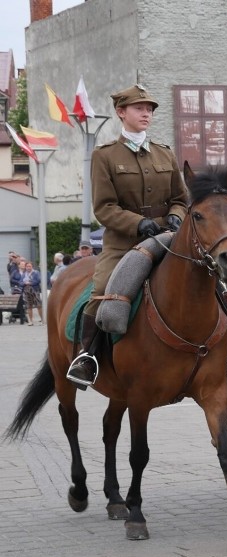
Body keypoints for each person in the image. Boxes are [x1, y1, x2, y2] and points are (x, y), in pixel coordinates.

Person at [66, 84, 189, 387]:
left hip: (167, 239)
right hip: (124, 243)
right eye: (139, 108)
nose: (146, 113)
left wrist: (175, 215)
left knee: (214, 281)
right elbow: (104, 208)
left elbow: (180, 198)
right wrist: (137, 224)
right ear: (121, 113)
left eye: (149, 109)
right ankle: (88, 356)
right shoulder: (105, 156)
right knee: (104, 288)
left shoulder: (165, 154)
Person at [20, 261, 44, 325]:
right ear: (25, 267)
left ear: (32, 267)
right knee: (29, 306)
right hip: (26, 291)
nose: (28, 268)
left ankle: (42, 320)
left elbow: (38, 280)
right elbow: (20, 282)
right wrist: (24, 283)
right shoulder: (24, 274)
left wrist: (30, 282)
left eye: (29, 266)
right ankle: (30, 321)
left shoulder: (36, 273)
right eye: (27, 266)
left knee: (39, 305)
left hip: (35, 291)